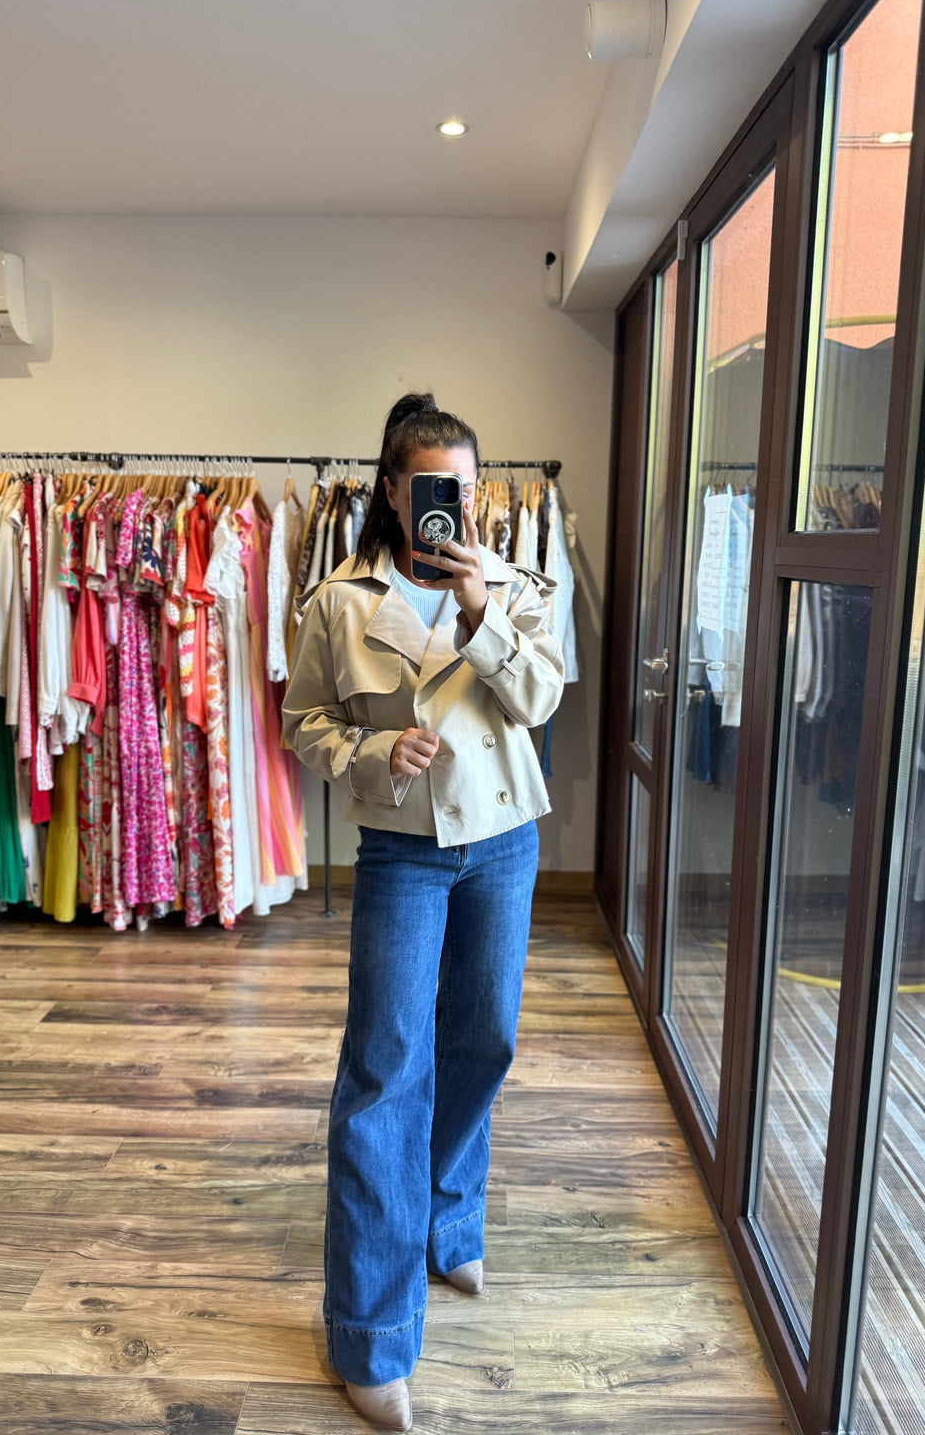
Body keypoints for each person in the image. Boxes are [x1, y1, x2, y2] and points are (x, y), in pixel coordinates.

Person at [283, 392, 564, 1430]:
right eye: (436, 485)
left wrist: (484, 613)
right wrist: (371, 752)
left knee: (484, 1037)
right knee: (385, 1068)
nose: (457, 502)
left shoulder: (517, 586)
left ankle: (446, 1218)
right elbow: (303, 722)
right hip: (402, 851)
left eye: (469, 486)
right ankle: (370, 1333)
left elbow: (539, 700)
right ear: (396, 493)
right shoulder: (337, 601)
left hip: (504, 841)